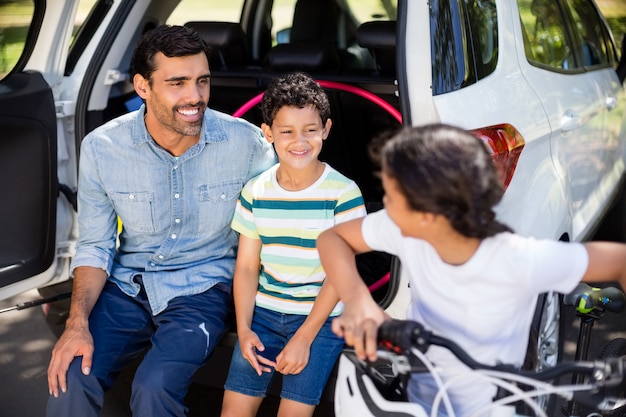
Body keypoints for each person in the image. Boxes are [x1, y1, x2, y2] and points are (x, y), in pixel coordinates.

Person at [316, 123, 626, 417]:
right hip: (419, 398)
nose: (384, 203)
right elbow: (333, 238)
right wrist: (359, 302)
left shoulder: (516, 258)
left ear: (429, 213)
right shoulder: (407, 228)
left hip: (493, 405)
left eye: (391, 197)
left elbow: (619, 261)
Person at [46, 25, 276, 417]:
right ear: (142, 87)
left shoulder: (248, 144)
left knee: (154, 388)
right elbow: (96, 244)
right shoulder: (102, 149)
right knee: (69, 374)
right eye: (177, 83)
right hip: (127, 285)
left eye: (202, 81)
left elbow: (279, 224)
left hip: (204, 290)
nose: (195, 97)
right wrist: (76, 322)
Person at [220, 71, 367, 417]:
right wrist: (243, 329)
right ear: (268, 133)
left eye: (310, 130)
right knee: (233, 410)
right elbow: (246, 267)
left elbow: (340, 276)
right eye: (286, 131)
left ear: (326, 130)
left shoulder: (343, 194)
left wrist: (303, 338)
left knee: (293, 413)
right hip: (265, 315)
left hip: (321, 319)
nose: (299, 141)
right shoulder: (256, 191)